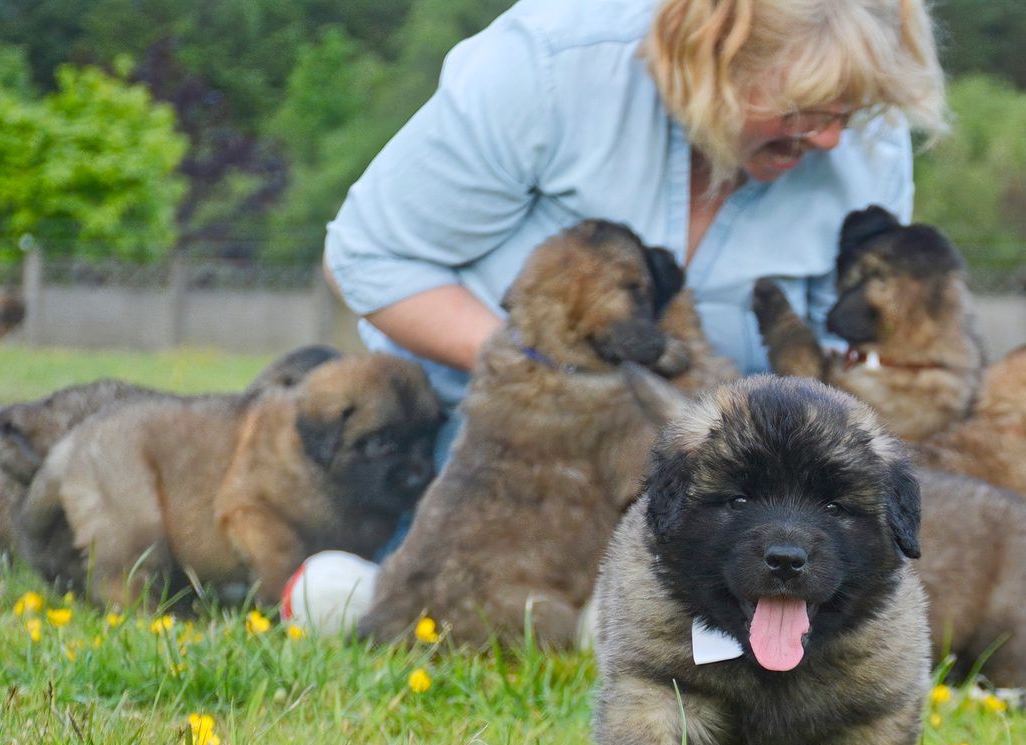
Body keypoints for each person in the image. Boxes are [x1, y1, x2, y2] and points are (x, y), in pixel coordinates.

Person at [323, 0, 946, 466]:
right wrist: (555, 374)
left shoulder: (870, 138)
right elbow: (371, 259)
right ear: (709, 55)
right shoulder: (551, 62)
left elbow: (841, 374)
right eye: (801, 110)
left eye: (848, 111)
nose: (832, 139)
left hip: (718, 474)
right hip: (479, 447)